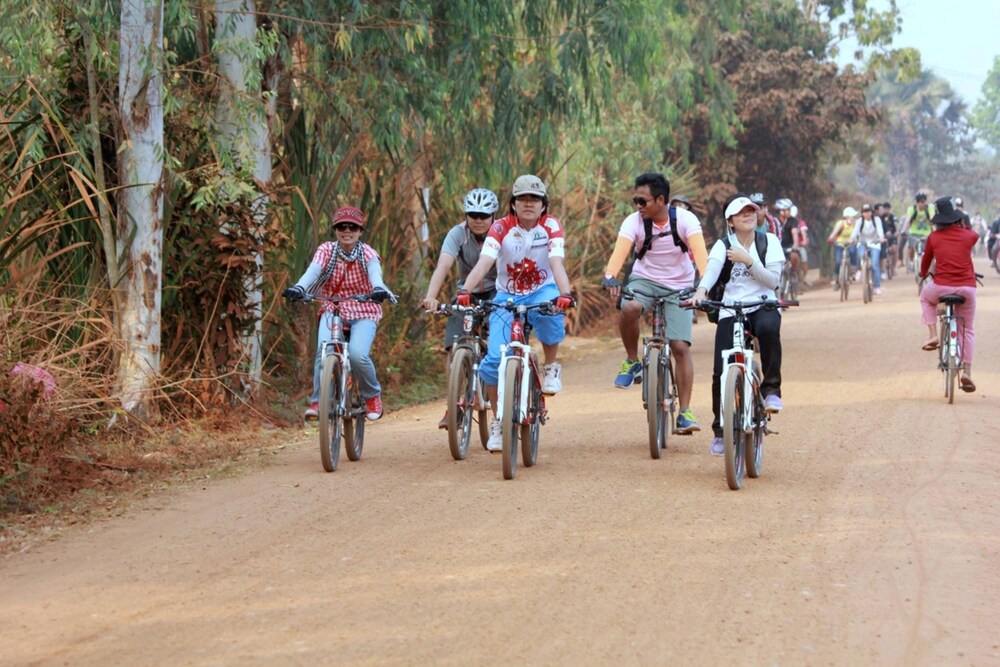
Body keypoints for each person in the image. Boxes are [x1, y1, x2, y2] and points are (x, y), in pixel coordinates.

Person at [457, 174, 574, 452]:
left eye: (535, 199)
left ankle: (550, 366)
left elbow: (556, 262)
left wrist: (565, 294)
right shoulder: (500, 227)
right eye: (523, 199)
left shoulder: (551, 226)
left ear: (544, 204)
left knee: (550, 316)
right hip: (506, 297)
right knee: (493, 360)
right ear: (513, 204)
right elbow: (485, 262)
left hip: (542, 290)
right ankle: (499, 421)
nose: (529, 204)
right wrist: (466, 290)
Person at [601, 172, 709, 434]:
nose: (638, 206)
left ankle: (685, 412)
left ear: (661, 200)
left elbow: (700, 256)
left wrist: (704, 286)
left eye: (643, 201)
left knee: (680, 346)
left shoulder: (685, 220)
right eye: (635, 201)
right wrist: (611, 276)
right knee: (629, 307)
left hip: (680, 285)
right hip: (644, 280)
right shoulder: (634, 222)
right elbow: (620, 252)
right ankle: (632, 361)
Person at [691, 195, 785, 456]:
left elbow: (773, 282)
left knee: (768, 330)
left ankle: (771, 390)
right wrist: (701, 291)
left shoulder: (769, 242)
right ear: (730, 221)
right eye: (741, 212)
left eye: (751, 210)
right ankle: (721, 431)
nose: (749, 215)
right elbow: (711, 271)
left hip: (763, 304)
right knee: (720, 369)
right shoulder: (723, 245)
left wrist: (749, 260)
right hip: (731, 307)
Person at [283, 206, 395, 421]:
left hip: (364, 310)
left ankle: (372, 395)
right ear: (335, 230)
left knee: (357, 354)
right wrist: (299, 287)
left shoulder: (367, 253)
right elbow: (313, 271)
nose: (347, 231)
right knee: (323, 351)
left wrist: (378, 289)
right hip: (332, 308)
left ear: (360, 231)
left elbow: (375, 273)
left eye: (353, 227)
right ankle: (319, 402)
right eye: (342, 226)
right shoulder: (326, 250)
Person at [422, 188, 500, 429]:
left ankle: (504, 400)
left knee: (500, 346)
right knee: (455, 346)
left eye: (483, 215)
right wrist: (431, 297)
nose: (478, 220)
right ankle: (454, 405)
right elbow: (443, 265)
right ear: (466, 215)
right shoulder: (457, 234)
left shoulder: (502, 233)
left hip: (498, 294)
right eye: (473, 215)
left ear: (493, 215)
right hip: (466, 294)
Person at [917, 197, 979, 392]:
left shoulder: (933, 238)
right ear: (956, 217)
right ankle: (967, 372)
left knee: (925, 297)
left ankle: (933, 335)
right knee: (967, 329)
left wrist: (922, 273)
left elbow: (926, 261)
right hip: (967, 289)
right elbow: (974, 234)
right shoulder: (968, 236)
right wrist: (962, 225)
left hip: (940, 287)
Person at [850, 203, 886, 294]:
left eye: (869, 211)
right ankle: (860, 269)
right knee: (861, 255)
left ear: (872, 212)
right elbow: (855, 231)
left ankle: (877, 286)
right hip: (862, 243)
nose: (867, 213)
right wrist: (851, 238)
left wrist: (881, 237)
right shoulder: (860, 221)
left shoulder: (876, 220)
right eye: (865, 212)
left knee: (874, 264)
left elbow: (880, 230)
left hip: (875, 243)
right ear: (862, 213)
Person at [900, 192, 935, 269]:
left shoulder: (929, 208)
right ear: (917, 202)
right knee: (911, 246)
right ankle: (912, 261)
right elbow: (907, 220)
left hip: (926, 234)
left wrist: (935, 230)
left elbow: (932, 219)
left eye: (923, 201)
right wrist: (903, 230)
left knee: (928, 250)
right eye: (920, 202)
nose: (922, 203)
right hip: (914, 233)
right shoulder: (912, 209)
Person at [827, 206, 861, 287]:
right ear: (847, 216)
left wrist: (858, 240)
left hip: (851, 243)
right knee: (838, 261)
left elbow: (859, 234)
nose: (853, 217)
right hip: (840, 243)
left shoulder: (856, 224)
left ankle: (853, 271)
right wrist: (830, 238)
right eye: (852, 216)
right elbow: (834, 232)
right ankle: (836, 278)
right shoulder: (841, 223)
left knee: (853, 252)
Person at [775, 198, 803, 283]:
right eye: (787, 209)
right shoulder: (774, 220)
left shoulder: (793, 221)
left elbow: (794, 233)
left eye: (789, 209)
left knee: (794, 256)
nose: (789, 211)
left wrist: (795, 245)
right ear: (781, 211)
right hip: (776, 246)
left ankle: (793, 272)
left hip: (789, 246)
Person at [791, 204, 811, 285]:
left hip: (799, 246)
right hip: (788, 246)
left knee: (804, 258)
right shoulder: (784, 223)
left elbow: (804, 235)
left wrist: (803, 241)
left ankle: (804, 277)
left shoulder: (801, 223)